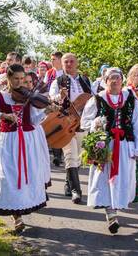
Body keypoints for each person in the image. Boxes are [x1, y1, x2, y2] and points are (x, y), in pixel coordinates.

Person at [0, 64, 48, 232]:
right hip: (8, 141)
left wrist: (46, 111)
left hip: (26, 141)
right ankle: (15, 216)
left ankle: (20, 211)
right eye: (16, 79)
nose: (20, 83)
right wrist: (3, 115)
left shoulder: (28, 97)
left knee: (25, 177)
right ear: (8, 79)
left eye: (22, 79)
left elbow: (34, 121)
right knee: (9, 176)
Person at [81, 68, 138, 234]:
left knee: (122, 179)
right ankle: (111, 214)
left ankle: (116, 207)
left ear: (122, 80)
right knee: (105, 179)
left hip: (125, 145)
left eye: (118, 78)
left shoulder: (131, 99)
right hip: (105, 147)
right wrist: (96, 123)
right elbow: (84, 122)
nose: (115, 81)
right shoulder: (98, 99)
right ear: (105, 80)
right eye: (111, 78)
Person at [49, 53, 92, 203]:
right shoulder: (58, 81)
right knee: (70, 155)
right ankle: (76, 191)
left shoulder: (86, 80)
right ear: (62, 64)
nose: (69, 64)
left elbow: (92, 99)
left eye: (72, 61)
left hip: (83, 122)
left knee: (79, 157)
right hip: (66, 123)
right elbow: (51, 97)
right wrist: (59, 96)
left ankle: (68, 184)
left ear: (77, 62)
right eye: (66, 62)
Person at [44, 52, 65, 167]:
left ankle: (62, 154)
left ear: (60, 59)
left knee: (64, 128)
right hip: (53, 103)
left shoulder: (66, 72)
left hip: (65, 105)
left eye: (54, 59)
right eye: (51, 59)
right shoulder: (49, 73)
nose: (51, 61)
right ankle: (57, 155)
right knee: (54, 128)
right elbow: (45, 87)